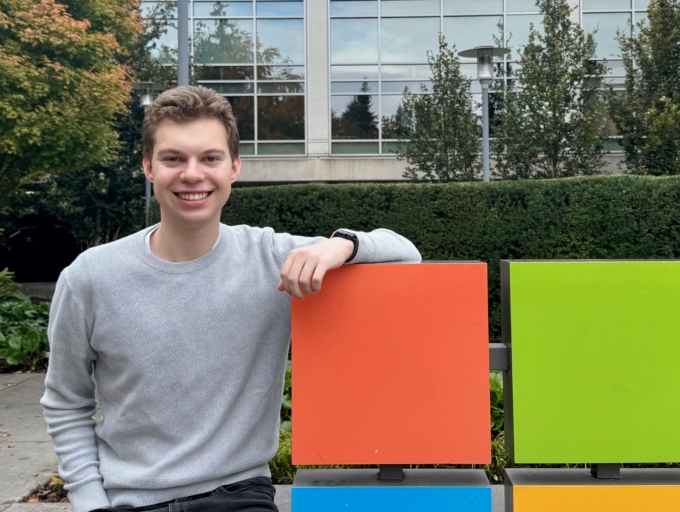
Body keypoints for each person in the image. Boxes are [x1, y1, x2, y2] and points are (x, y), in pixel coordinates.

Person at [40, 86, 421, 512]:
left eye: (210, 158)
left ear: (234, 166)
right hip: (129, 500)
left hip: (239, 495)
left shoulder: (271, 258)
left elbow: (406, 251)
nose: (192, 174)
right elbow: (66, 401)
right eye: (173, 158)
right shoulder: (90, 277)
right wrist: (91, 504)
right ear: (148, 166)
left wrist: (342, 245)